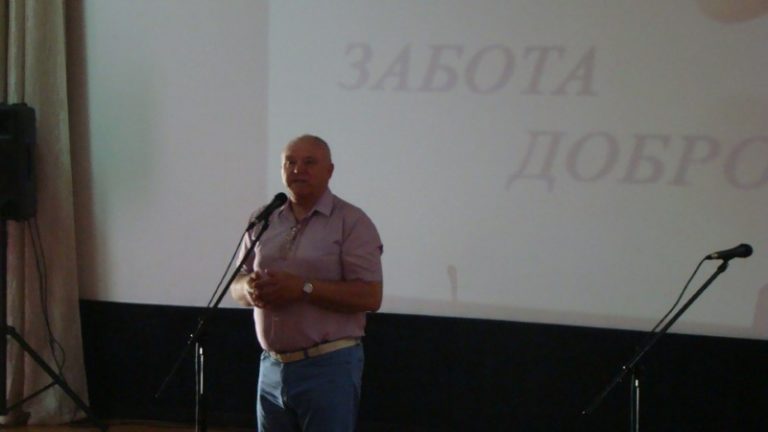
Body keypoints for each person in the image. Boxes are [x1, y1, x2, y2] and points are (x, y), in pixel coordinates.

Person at [231, 134, 383, 432]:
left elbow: (370, 296)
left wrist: (303, 288)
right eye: (290, 162)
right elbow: (236, 282)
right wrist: (248, 288)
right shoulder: (264, 218)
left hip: (328, 367)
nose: (298, 169)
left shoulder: (351, 221)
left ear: (330, 170)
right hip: (271, 367)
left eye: (309, 162)